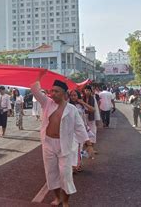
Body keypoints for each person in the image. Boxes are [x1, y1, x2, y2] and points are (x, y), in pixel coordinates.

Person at [30, 71, 93, 207]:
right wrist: (39, 76)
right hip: (48, 144)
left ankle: (65, 201)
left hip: (64, 145)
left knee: (65, 175)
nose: (53, 94)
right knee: (51, 173)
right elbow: (34, 89)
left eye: (56, 92)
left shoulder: (71, 109)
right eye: (52, 91)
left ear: (65, 94)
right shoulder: (47, 102)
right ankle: (57, 198)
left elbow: (80, 128)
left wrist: (88, 144)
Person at [82, 85, 100, 152]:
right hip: (83, 117)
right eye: (86, 90)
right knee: (84, 133)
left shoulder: (93, 98)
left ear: (90, 91)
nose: (87, 91)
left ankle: (92, 149)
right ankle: (86, 149)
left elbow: (96, 109)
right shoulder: (81, 98)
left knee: (93, 132)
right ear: (84, 91)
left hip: (91, 117)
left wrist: (97, 119)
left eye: (88, 90)